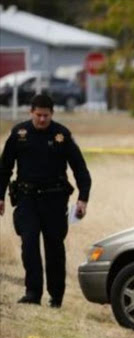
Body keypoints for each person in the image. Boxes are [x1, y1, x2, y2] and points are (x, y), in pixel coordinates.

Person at [0, 94, 91, 308]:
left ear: (52, 114)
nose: (42, 120)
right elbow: (5, 168)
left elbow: (80, 169)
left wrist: (83, 199)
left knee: (54, 249)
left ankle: (56, 296)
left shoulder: (61, 135)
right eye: (38, 115)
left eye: (46, 116)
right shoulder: (19, 134)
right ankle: (33, 293)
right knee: (29, 245)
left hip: (54, 200)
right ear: (31, 112)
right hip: (27, 199)